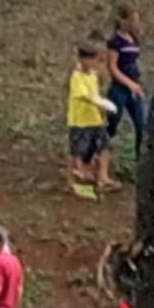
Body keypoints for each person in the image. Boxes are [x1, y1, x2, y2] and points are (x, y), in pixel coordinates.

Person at [102, 3, 147, 183]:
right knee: (112, 125)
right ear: (121, 21)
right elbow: (112, 68)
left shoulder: (133, 39)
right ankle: (96, 158)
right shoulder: (115, 42)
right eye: (132, 19)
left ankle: (140, 165)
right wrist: (129, 83)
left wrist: (137, 81)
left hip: (134, 88)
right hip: (120, 89)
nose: (135, 23)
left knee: (142, 124)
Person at [65, 43, 116, 200]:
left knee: (104, 146)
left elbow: (95, 93)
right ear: (82, 59)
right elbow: (84, 96)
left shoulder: (93, 76)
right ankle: (71, 181)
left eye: (95, 60)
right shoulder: (76, 77)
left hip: (95, 119)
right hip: (80, 120)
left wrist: (102, 109)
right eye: (91, 60)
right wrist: (99, 102)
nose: (94, 63)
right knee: (77, 151)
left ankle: (103, 177)